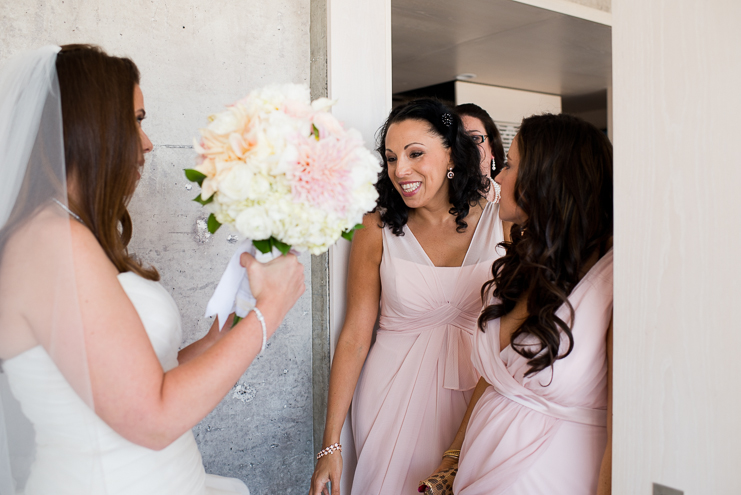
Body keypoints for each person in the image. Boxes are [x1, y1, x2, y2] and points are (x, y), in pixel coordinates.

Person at [0, 45, 305, 495]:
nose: (148, 142)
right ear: (92, 126)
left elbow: (144, 380)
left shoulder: (69, 229)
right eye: (137, 120)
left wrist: (221, 334)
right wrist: (271, 310)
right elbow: (153, 417)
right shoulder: (51, 241)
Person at [309, 99, 507, 495]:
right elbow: (354, 335)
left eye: (416, 154)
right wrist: (330, 444)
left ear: (451, 153)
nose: (401, 171)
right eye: (392, 157)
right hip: (390, 396)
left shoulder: (500, 216)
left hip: (480, 390)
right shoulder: (376, 225)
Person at [430, 113, 613, 495]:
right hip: (477, 470)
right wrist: (453, 457)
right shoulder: (523, 261)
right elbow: (496, 380)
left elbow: (625, 428)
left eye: (510, 164)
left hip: (554, 477)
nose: (498, 176)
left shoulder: (612, 284)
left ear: (548, 178)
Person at [455, 103, 505, 203]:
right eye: (458, 139)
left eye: (474, 138)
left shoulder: (515, 199)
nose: (466, 146)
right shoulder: (439, 204)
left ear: (492, 148)